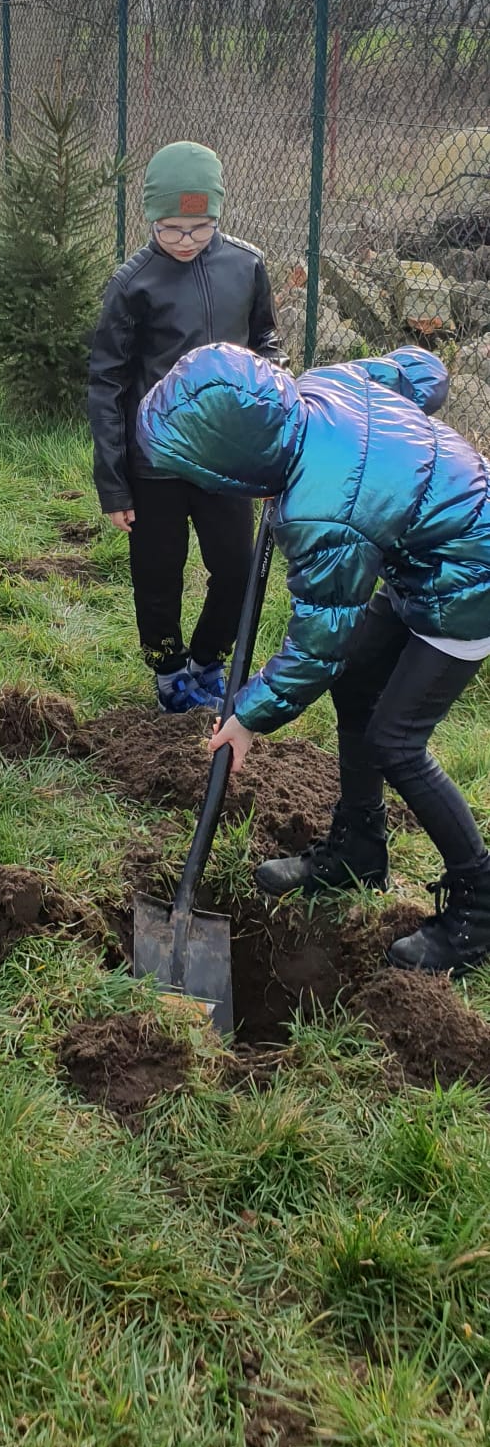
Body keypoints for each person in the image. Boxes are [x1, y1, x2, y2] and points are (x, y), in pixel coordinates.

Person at [137, 341, 490, 975]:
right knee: (358, 681)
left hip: (472, 582)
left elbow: (318, 647)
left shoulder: (325, 511)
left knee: (396, 742)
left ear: (233, 462)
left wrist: (247, 715)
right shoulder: (322, 386)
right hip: (429, 554)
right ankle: (359, 850)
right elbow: (422, 372)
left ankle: (480, 907)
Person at [88, 140, 280, 714]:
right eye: (171, 229)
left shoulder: (246, 265)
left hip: (226, 457)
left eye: (200, 228)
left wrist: (272, 408)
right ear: (150, 217)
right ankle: (169, 669)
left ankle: (208, 659)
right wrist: (115, 484)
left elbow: (267, 344)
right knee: (157, 571)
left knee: (237, 568)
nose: (186, 241)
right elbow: (106, 382)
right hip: (156, 463)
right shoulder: (134, 283)